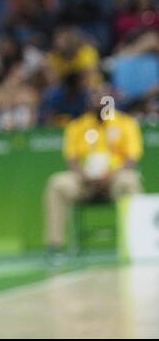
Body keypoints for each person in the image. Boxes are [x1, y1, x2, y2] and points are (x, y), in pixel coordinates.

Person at [43, 84, 143, 261]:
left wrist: (111, 175)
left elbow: (132, 159)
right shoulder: (77, 126)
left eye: (104, 97)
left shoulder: (126, 123)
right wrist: (84, 175)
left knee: (131, 181)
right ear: (89, 101)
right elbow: (71, 160)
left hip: (115, 181)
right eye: (95, 97)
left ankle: (136, 244)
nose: (99, 101)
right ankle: (55, 247)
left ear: (112, 99)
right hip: (85, 182)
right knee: (57, 183)